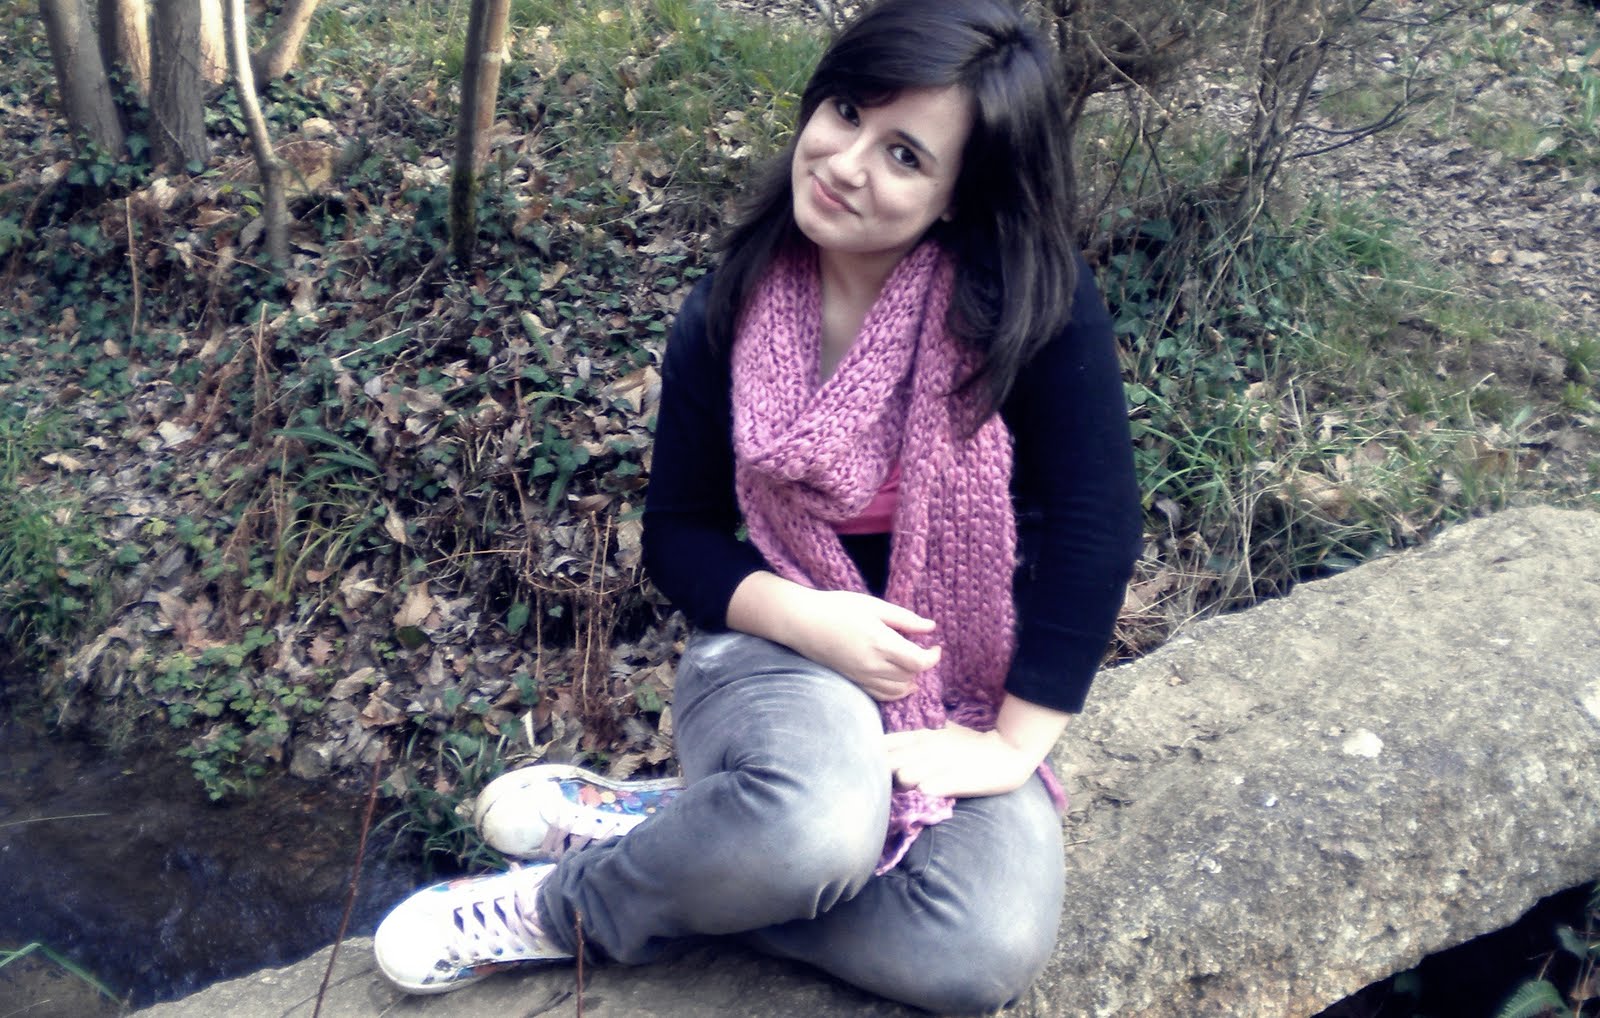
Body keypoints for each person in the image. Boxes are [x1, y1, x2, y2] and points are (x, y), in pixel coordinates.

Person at [373, 0, 1142, 1011]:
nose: (845, 163)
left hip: (954, 687)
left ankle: (693, 839)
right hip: (774, 654)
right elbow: (679, 537)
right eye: (847, 111)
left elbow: (1096, 528)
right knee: (812, 832)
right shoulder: (732, 307)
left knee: (978, 950)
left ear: (961, 192)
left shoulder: (1029, 308)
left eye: (905, 154)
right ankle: (568, 907)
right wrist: (810, 620)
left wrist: (1006, 746)